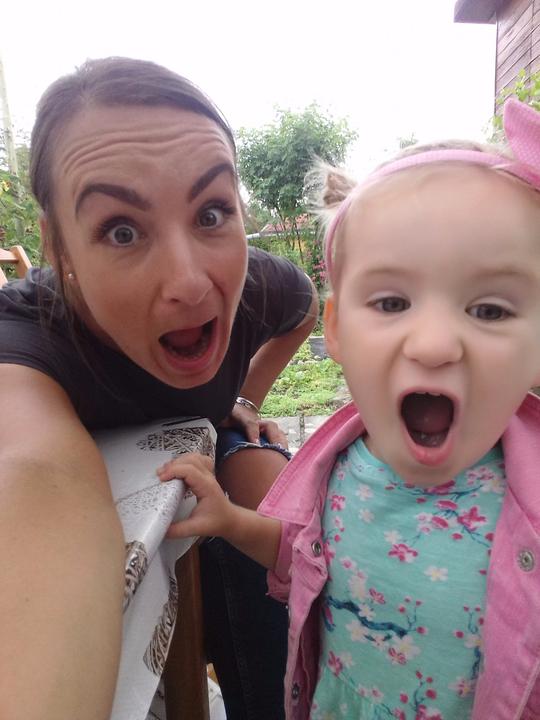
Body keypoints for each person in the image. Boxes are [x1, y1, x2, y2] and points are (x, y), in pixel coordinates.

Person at [158, 97, 540, 719]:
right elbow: (304, 555)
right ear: (335, 329)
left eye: (490, 310)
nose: (434, 344)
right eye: (392, 303)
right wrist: (229, 521)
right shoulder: (338, 470)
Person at [0, 57, 318, 719]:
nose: (191, 283)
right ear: (60, 250)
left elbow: (305, 309)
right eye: (122, 231)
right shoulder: (27, 334)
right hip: (127, 495)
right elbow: (36, 472)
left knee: (279, 504)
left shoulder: (258, 284)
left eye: (212, 212)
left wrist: (246, 399)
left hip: (214, 452)